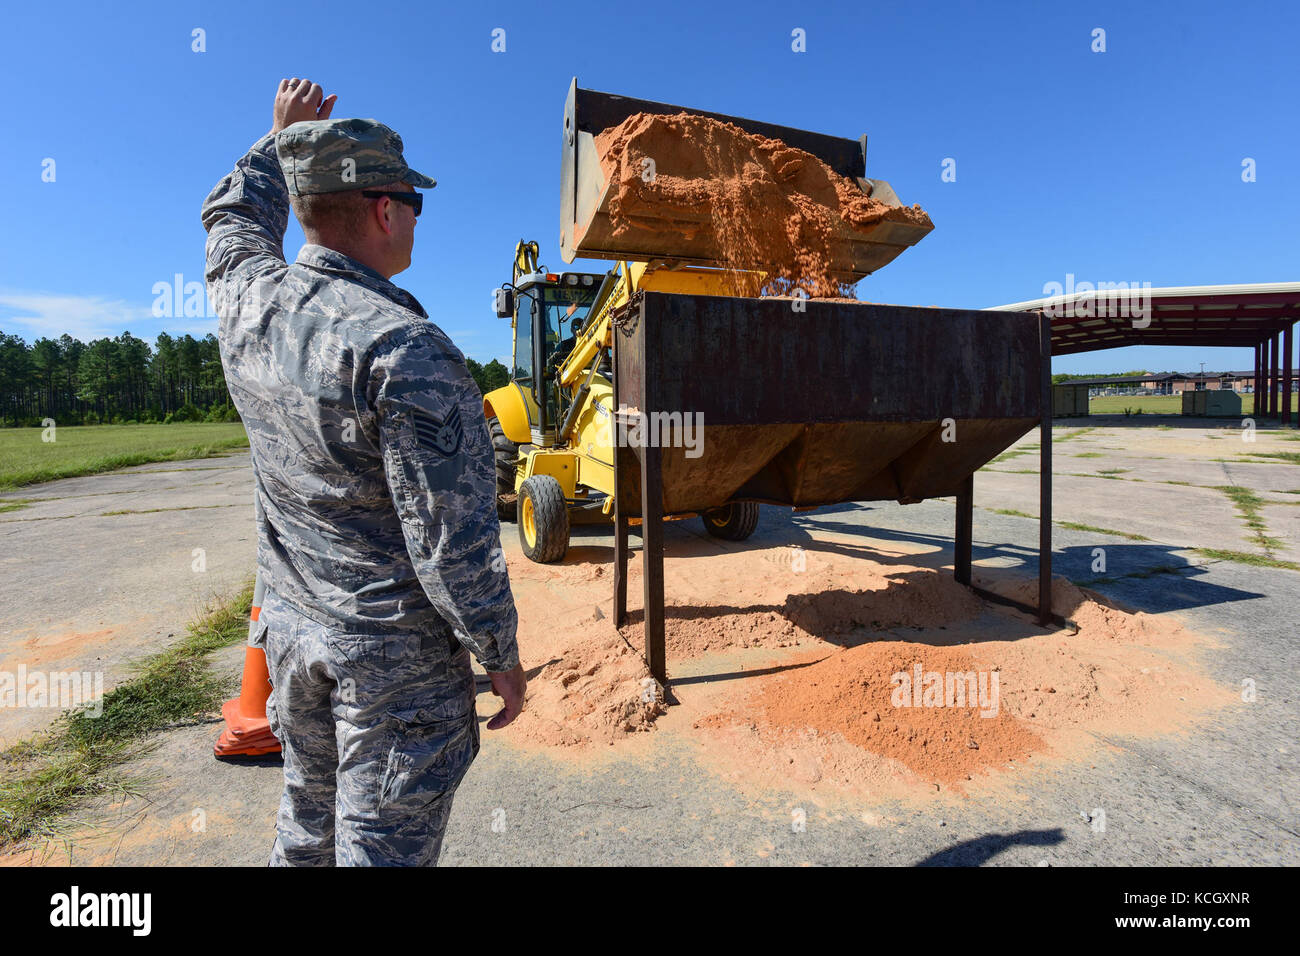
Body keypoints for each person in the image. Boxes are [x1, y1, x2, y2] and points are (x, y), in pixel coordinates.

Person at [202, 78, 526, 866]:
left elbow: (230, 220)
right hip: (392, 667)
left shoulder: (247, 302)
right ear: (386, 210)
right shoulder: (403, 349)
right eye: (415, 200)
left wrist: (275, 143)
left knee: (307, 826)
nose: (416, 214)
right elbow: (451, 542)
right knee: (381, 849)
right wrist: (500, 653)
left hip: (292, 640)